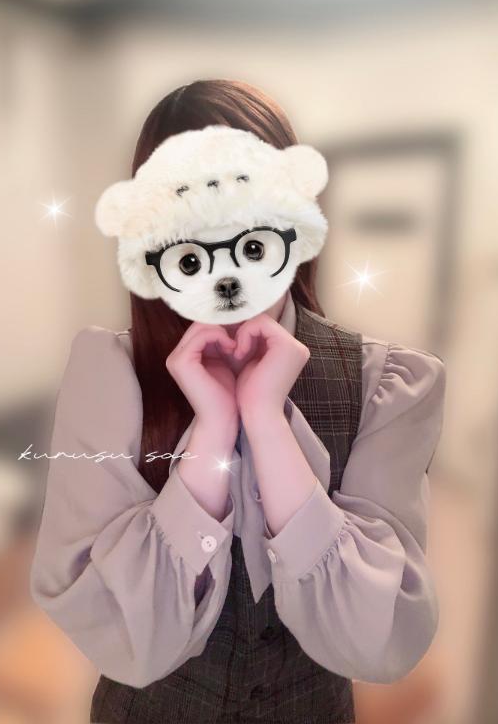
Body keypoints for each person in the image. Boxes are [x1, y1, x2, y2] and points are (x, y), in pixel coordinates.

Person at [30, 79, 447, 724]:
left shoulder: (386, 384)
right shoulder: (107, 375)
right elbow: (109, 625)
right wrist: (214, 429)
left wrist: (265, 421)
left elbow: (382, 638)